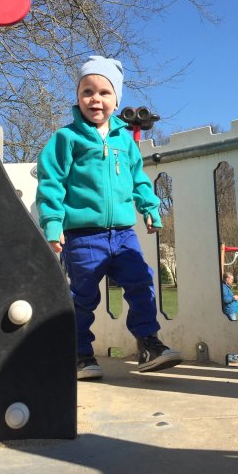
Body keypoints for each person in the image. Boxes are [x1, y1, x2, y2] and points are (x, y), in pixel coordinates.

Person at [36, 55, 182, 380]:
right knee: (82, 295)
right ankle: (79, 354)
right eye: (87, 91)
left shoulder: (124, 142)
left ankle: (148, 344)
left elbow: (138, 178)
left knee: (141, 284)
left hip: (123, 233)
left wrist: (150, 207)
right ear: (77, 97)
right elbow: (52, 182)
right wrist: (53, 223)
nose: (95, 99)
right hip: (83, 235)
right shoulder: (67, 139)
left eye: (104, 92)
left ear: (116, 100)